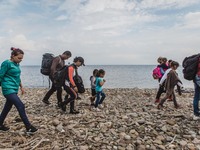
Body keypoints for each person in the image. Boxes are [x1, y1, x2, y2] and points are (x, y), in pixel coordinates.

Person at [0, 47, 37, 133]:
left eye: (22, 59)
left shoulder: (17, 64)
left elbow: (17, 76)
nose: (20, 60)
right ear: (13, 55)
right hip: (7, 88)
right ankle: (29, 127)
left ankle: (0, 124)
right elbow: (0, 75)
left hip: (14, 88)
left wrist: (21, 87)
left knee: (7, 108)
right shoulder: (6, 63)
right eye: (19, 58)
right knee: (20, 105)